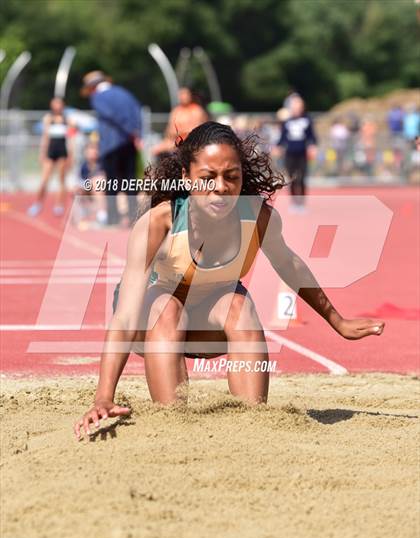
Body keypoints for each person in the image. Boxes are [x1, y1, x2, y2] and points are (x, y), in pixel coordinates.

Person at [73, 121, 385, 439]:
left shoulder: (259, 218)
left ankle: (253, 426)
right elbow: (125, 317)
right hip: (152, 320)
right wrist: (104, 396)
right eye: (207, 178)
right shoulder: (159, 223)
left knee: (240, 306)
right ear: (186, 177)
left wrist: (338, 321)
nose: (221, 187)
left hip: (208, 322)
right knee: (167, 309)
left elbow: (290, 265)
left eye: (231, 177)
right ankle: (172, 425)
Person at [81, 70, 143, 226]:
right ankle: (133, 217)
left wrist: (129, 130)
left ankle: (113, 218)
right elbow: (137, 112)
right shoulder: (125, 93)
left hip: (111, 145)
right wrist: (136, 134)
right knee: (130, 182)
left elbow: (112, 116)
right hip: (129, 143)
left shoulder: (98, 97)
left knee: (112, 184)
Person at [27, 97, 71, 217]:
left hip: (62, 152)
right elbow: (45, 137)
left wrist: (71, 155)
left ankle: (59, 205)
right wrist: (42, 153)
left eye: (59, 104)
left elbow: (71, 138)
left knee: (61, 180)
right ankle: (38, 203)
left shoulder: (68, 119)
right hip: (50, 152)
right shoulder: (48, 118)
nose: (57, 106)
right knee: (44, 180)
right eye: (55, 104)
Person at [275, 95, 317, 213]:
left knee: (302, 178)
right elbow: (282, 137)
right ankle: (294, 203)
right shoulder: (287, 122)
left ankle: (302, 203)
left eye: (298, 106)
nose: (296, 108)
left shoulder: (307, 120)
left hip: (302, 154)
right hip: (290, 154)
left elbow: (312, 137)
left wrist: (312, 146)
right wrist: (278, 147)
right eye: (294, 106)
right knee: (292, 179)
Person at [152, 86, 208, 159]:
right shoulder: (176, 111)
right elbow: (170, 130)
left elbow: (197, 129)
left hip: (192, 141)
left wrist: (182, 131)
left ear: (190, 95)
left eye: (185, 94)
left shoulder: (197, 110)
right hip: (175, 140)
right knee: (156, 149)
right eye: (181, 94)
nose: (183, 97)